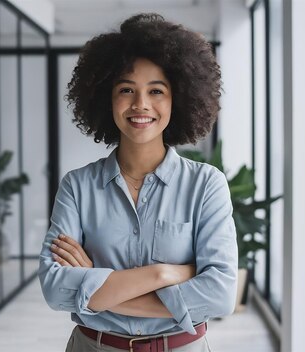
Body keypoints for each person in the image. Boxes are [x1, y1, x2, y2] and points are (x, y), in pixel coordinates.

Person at [39, 13, 237, 352]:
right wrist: (164, 275)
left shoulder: (206, 185)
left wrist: (97, 292)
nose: (140, 104)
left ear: (179, 98)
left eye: (156, 90)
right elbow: (56, 289)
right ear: (106, 97)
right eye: (126, 89)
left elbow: (219, 295)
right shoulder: (77, 186)